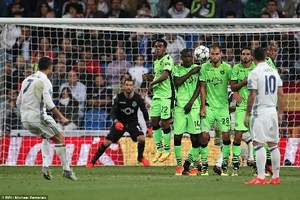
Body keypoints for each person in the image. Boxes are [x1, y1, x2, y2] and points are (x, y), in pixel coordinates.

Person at [16, 57, 77, 181]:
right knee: (60, 139)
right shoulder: (45, 81)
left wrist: (26, 112)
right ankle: (66, 170)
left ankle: (45, 166)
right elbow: (49, 103)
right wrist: (61, 116)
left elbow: (18, 102)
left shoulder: (26, 80)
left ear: (38, 66)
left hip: (25, 119)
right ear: (50, 67)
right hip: (38, 117)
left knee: (47, 136)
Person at [86, 78, 151, 167]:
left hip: (132, 123)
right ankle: (92, 161)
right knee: (107, 142)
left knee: (142, 138)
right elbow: (112, 112)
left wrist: (149, 126)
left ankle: (140, 158)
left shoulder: (138, 98)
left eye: (130, 85)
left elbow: (144, 111)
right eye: (127, 85)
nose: (129, 87)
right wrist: (116, 122)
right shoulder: (118, 98)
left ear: (133, 87)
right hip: (120, 123)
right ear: (124, 86)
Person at [244, 47, 283, 185]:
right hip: (272, 111)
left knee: (258, 144)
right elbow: (281, 94)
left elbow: (252, 95)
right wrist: (280, 112)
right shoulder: (274, 71)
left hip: (259, 112)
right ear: (265, 56)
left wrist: (247, 114)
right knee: (273, 145)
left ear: (254, 57)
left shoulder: (254, 73)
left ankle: (260, 177)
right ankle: (276, 177)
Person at [199, 44, 232, 176]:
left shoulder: (228, 68)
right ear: (209, 55)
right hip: (209, 107)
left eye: (217, 54)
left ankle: (224, 165)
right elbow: (202, 87)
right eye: (212, 54)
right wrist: (202, 106)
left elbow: (234, 83)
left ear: (221, 54)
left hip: (223, 108)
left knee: (226, 136)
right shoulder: (204, 67)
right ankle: (204, 165)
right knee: (204, 136)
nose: (214, 56)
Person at [142, 38, 175, 163]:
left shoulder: (168, 59)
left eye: (160, 46)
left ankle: (167, 149)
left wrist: (152, 83)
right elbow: (158, 75)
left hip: (166, 96)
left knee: (165, 122)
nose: (157, 48)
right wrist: (149, 77)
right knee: (154, 121)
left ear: (165, 48)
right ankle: (159, 148)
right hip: (157, 96)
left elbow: (166, 75)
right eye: (156, 46)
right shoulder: (156, 62)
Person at [173, 49, 201, 176]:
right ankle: (179, 166)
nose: (188, 59)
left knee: (195, 138)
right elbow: (177, 82)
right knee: (177, 136)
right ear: (182, 58)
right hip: (179, 107)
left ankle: (194, 166)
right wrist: (191, 72)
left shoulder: (199, 68)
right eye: (186, 57)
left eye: (190, 56)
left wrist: (191, 102)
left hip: (194, 107)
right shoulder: (177, 69)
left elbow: (200, 86)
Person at [229, 47, 256, 176]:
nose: (245, 56)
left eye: (248, 54)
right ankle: (235, 166)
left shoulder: (256, 68)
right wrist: (242, 84)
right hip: (241, 107)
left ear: (251, 56)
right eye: (243, 54)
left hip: (255, 106)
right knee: (238, 135)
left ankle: (257, 165)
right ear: (241, 55)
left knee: (258, 137)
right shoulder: (236, 68)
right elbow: (232, 85)